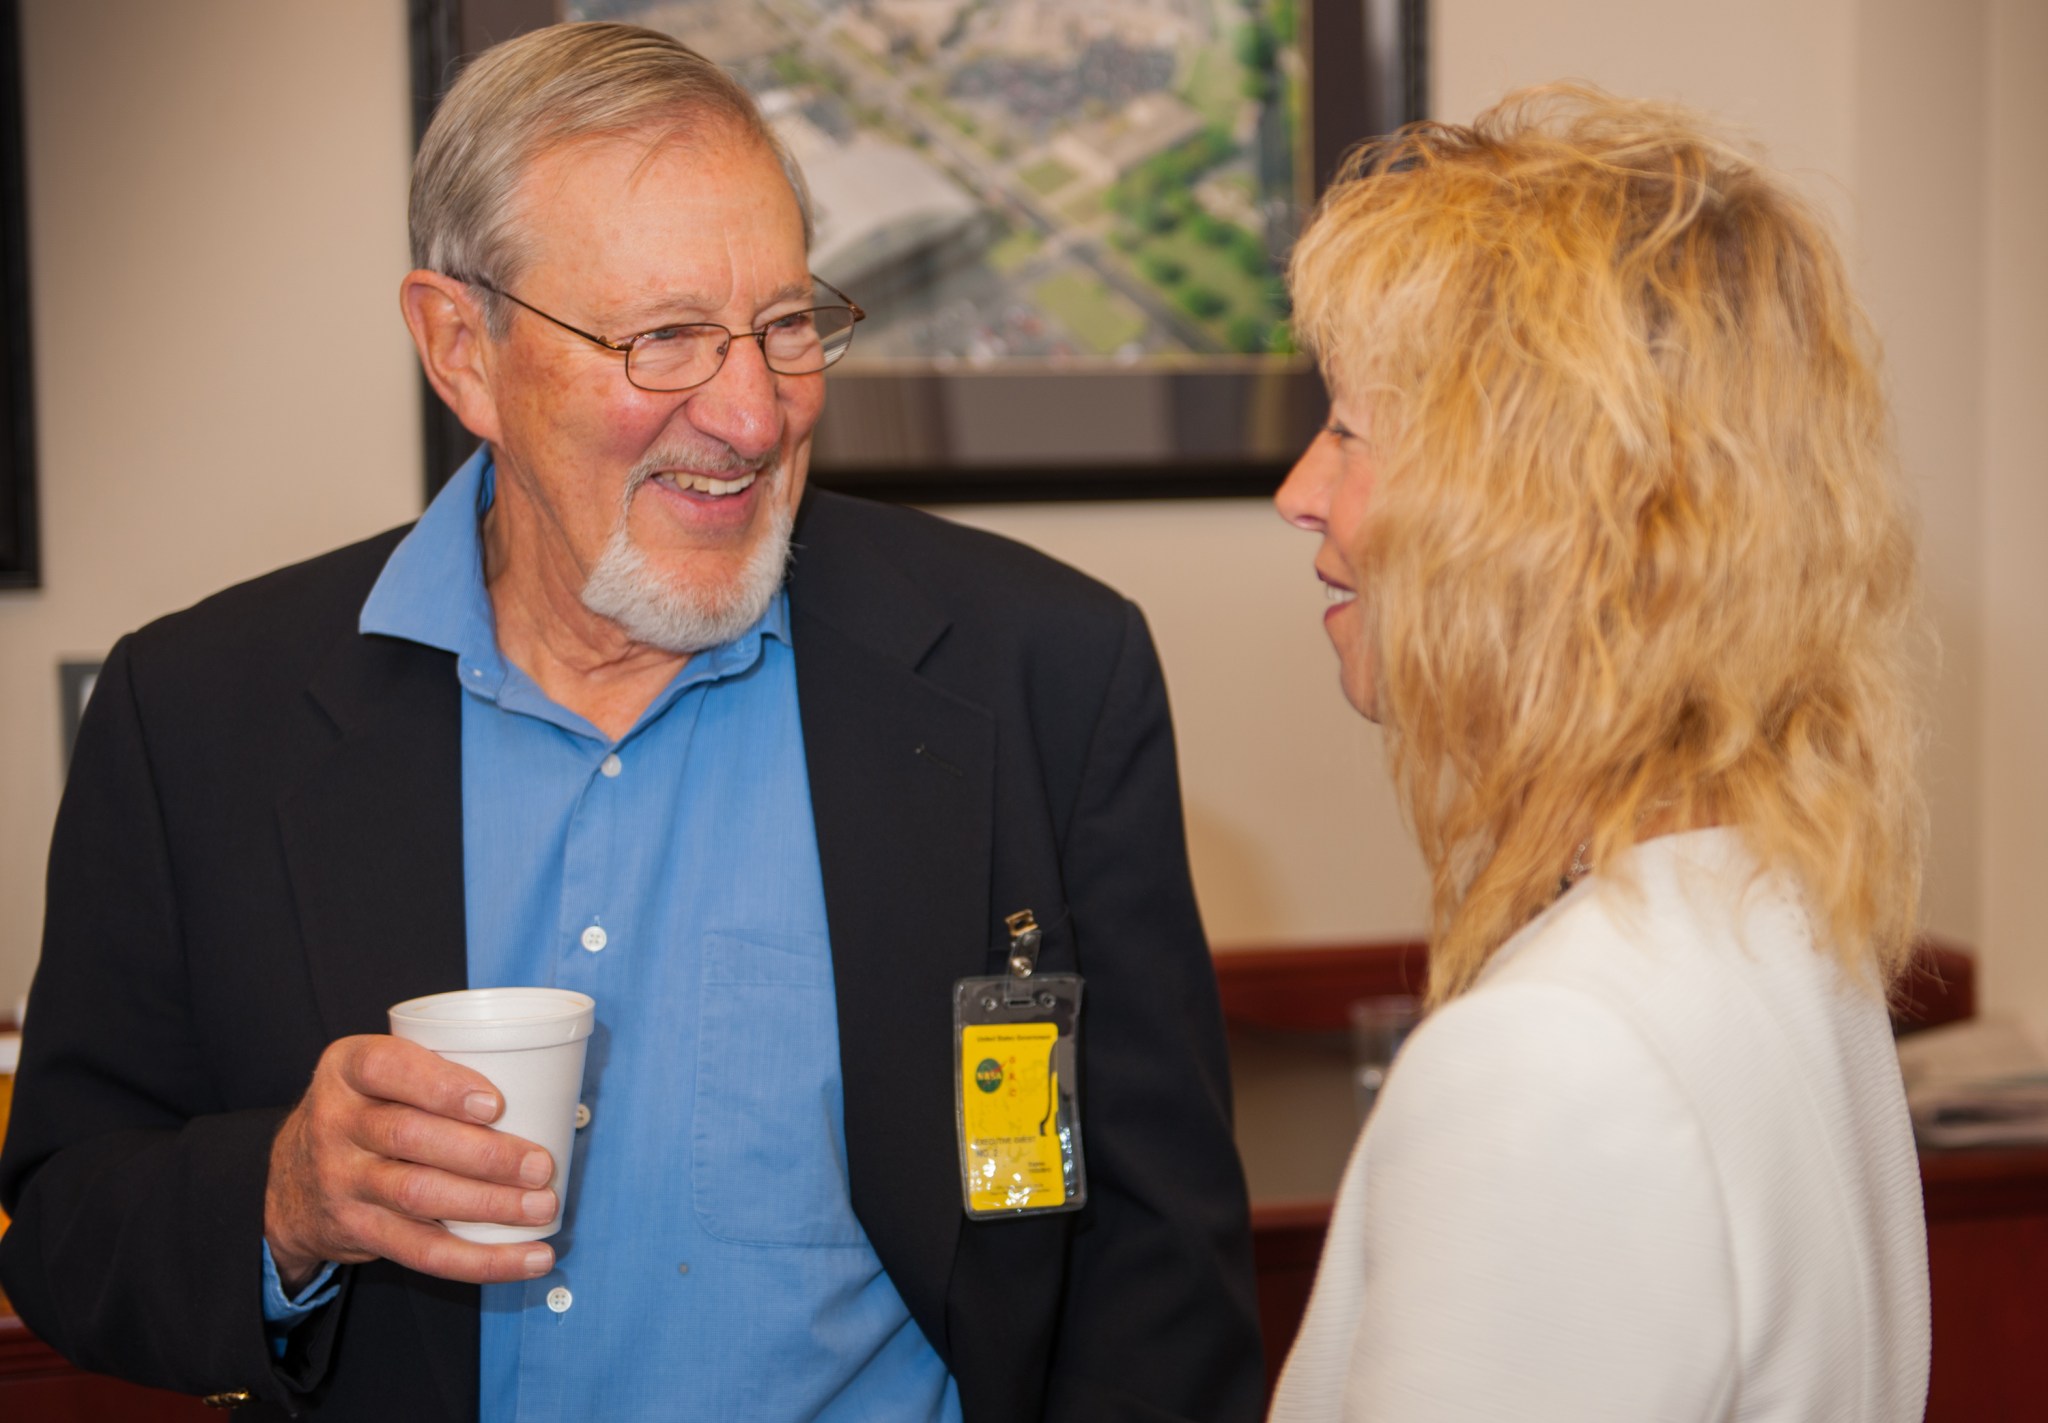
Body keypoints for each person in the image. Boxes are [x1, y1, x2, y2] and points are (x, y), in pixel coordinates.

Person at [0, 23, 1261, 1421]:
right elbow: (67, 1221)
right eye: (664, 338)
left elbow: (1162, 1268)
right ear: (460, 347)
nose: (751, 411)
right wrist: (284, 1200)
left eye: (786, 325)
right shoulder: (203, 716)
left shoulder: (1043, 673)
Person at [1266, 87, 1931, 1420]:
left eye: (1349, 430)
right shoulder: (1782, 923)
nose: (1300, 493)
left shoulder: (1558, 1060)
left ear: (1530, 508)